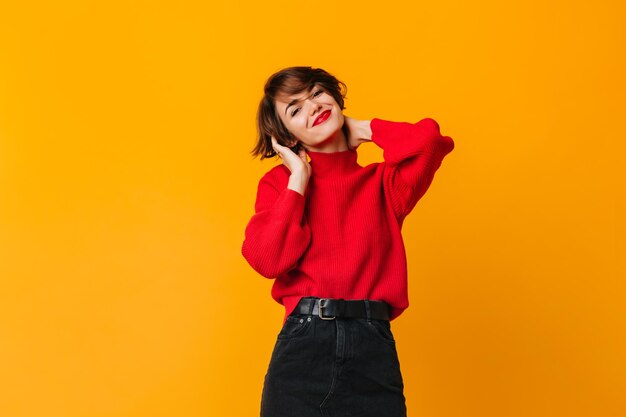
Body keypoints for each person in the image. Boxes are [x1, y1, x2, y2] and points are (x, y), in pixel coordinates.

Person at [241, 66, 455, 417]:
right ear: (288, 138)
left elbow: (431, 143)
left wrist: (366, 128)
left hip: (373, 347)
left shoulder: (386, 185)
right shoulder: (280, 185)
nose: (311, 106)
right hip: (303, 347)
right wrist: (299, 177)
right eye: (294, 110)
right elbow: (268, 260)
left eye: (316, 93)